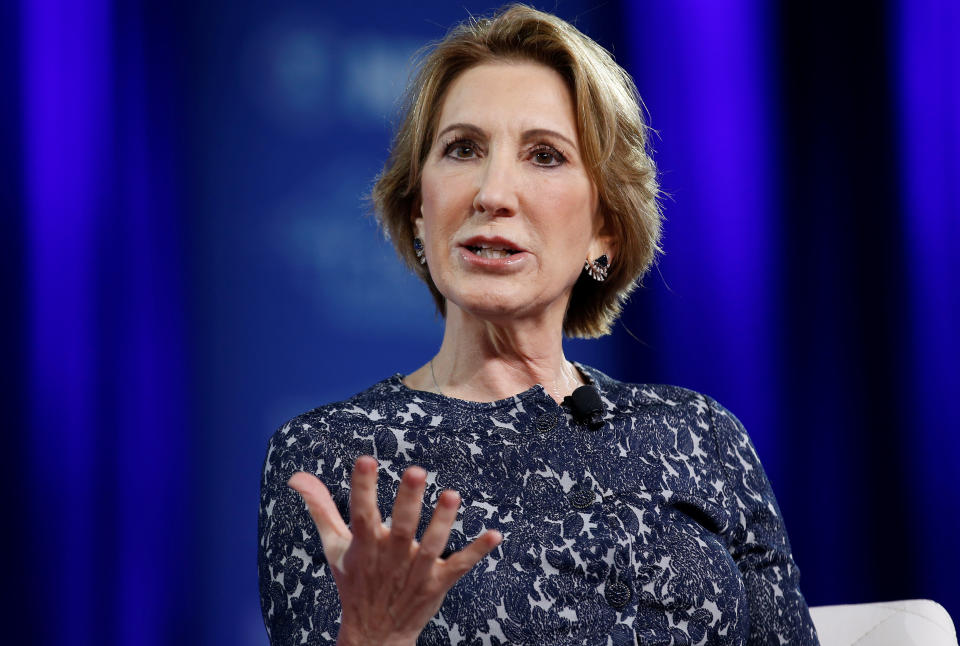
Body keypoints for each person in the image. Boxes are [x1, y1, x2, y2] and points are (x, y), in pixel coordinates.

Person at [258, 5, 820, 645]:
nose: (493, 192)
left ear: (605, 227)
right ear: (418, 210)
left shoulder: (701, 437)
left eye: (545, 156)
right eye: (462, 149)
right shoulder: (332, 456)